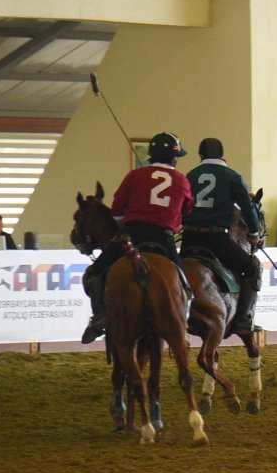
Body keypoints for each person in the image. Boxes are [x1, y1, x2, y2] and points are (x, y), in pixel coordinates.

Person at [80, 132, 193, 343]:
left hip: (132, 235)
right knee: (184, 284)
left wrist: (127, 222)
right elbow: (187, 211)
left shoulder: (134, 176)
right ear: (173, 158)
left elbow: (116, 211)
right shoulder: (182, 180)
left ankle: (99, 317)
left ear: (151, 155)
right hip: (163, 239)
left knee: (94, 273)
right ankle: (181, 326)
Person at [182, 138, 264, 336]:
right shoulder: (233, 177)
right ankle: (244, 318)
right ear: (222, 154)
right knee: (254, 267)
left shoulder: (190, 175)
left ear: (200, 155)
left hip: (189, 239)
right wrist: (253, 233)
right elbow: (248, 208)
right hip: (217, 240)